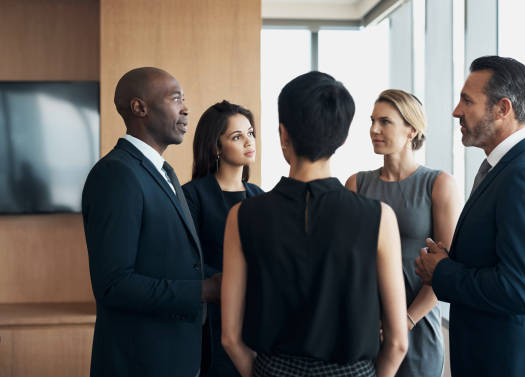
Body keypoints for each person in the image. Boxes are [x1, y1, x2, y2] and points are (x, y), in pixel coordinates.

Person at [221, 71, 408, 377]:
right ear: (343, 138)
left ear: (283, 134)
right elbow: (398, 342)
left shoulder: (242, 215)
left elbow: (230, 337)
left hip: (273, 369)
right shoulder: (379, 216)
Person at [415, 56, 525, 377]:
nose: (455, 111)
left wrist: (443, 272)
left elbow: (523, 291)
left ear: (503, 109)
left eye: (467, 101)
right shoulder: (506, 170)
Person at [82, 67, 220, 377]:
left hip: (179, 358)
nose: (185, 108)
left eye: (184, 99)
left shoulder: (165, 172)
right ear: (139, 107)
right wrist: (204, 291)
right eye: (175, 98)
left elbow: (172, 261)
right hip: (140, 362)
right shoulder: (116, 175)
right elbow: (114, 284)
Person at [346, 89, 461, 377]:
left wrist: (405, 321)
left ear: (411, 130)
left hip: (418, 328)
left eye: (385, 122)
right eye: (372, 121)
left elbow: (447, 267)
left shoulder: (439, 184)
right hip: (365, 328)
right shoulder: (356, 185)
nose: (374, 129)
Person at [183, 100, 264, 377]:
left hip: (258, 317)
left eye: (250, 133)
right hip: (213, 319)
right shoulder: (192, 195)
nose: (249, 142)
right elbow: (187, 262)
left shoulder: (259, 196)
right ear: (217, 146)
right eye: (237, 136)